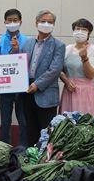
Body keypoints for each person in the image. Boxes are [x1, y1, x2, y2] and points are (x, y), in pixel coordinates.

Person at [21, 10, 66, 147]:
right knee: (30, 130)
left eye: (50, 22)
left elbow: (55, 69)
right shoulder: (27, 43)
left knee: (47, 133)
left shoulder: (58, 45)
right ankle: (31, 156)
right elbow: (18, 64)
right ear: (36, 23)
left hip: (45, 92)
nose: (46, 24)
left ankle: (44, 157)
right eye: (43, 21)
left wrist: (37, 84)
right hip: (27, 91)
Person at [0, 8, 30, 146]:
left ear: (20, 22)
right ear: (5, 22)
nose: (12, 23)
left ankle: (23, 148)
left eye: (15, 20)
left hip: (22, 88)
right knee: (5, 120)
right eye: (9, 20)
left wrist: (17, 50)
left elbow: (29, 62)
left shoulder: (28, 41)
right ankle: (4, 148)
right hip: (4, 86)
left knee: (23, 120)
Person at [59, 18, 94, 116]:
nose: (80, 32)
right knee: (67, 120)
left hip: (86, 92)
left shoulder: (93, 49)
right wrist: (66, 81)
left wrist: (84, 58)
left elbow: (91, 75)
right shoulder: (67, 48)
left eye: (84, 30)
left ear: (89, 33)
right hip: (69, 91)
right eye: (77, 29)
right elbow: (59, 70)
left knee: (83, 120)